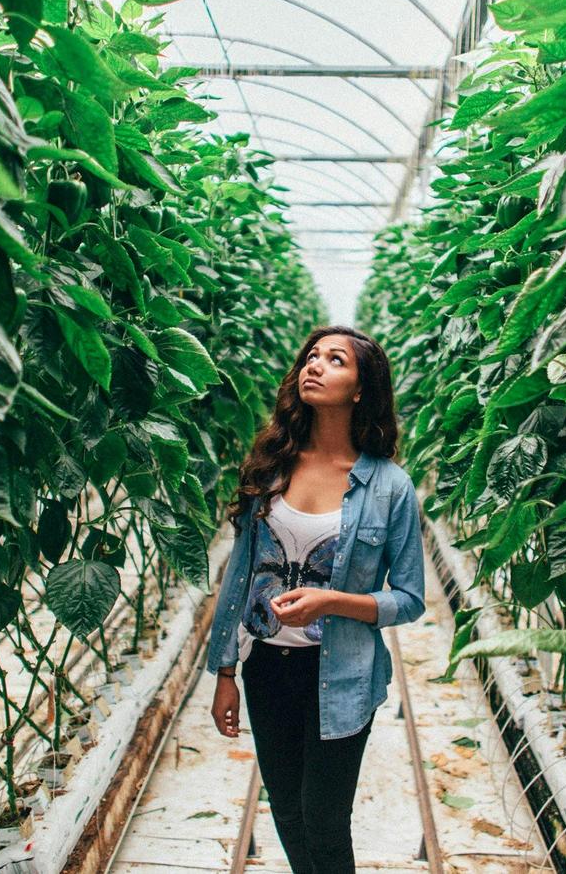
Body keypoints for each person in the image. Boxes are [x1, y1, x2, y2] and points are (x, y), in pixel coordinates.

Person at [204, 324, 427, 873]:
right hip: (268, 669)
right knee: (286, 812)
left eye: (335, 359)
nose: (315, 365)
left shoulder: (389, 486)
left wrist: (332, 601)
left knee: (324, 821)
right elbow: (238, 578)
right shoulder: (273, 464)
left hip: (343, 674)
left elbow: (409, 598)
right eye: (311, 356)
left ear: (360, 389)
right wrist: (225, 672)